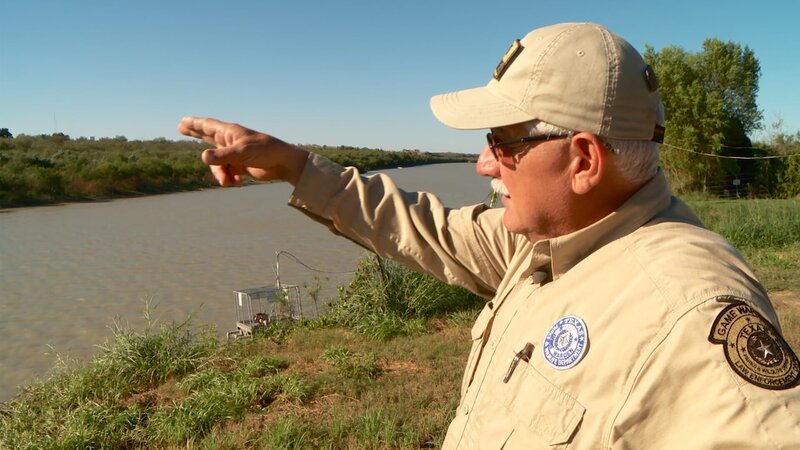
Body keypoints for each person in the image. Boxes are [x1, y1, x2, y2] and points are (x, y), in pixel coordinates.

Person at [179, 22, 800, 449]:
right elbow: (419, 228)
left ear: (583, 159)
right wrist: (295, 167)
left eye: (502, 142)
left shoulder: (686, 308)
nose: (483, 164)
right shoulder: (547, 243)